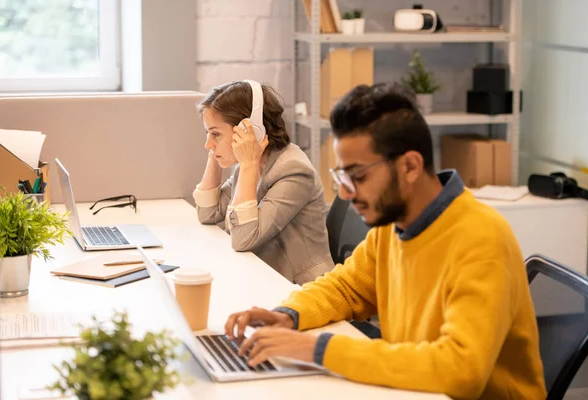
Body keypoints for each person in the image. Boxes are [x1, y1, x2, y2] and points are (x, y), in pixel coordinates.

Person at [224, 82, 547, 399]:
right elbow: (347, 288)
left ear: (410, 166)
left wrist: (318, 349)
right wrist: (288, 315)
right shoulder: (392, 226)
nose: (347, 193)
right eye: (342, 177)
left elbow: (460, 372)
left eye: (358, 177)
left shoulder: (481, 239)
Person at [194, 80, 334, 285]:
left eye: (215, 133)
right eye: (208, 133)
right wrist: (215, 152)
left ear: (253, 130)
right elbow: (208, 213)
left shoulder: (294, 172)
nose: (208, 143)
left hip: (302, 289)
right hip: (265, 277)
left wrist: (248, 163)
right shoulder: (250, 163)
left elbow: (243, 239)